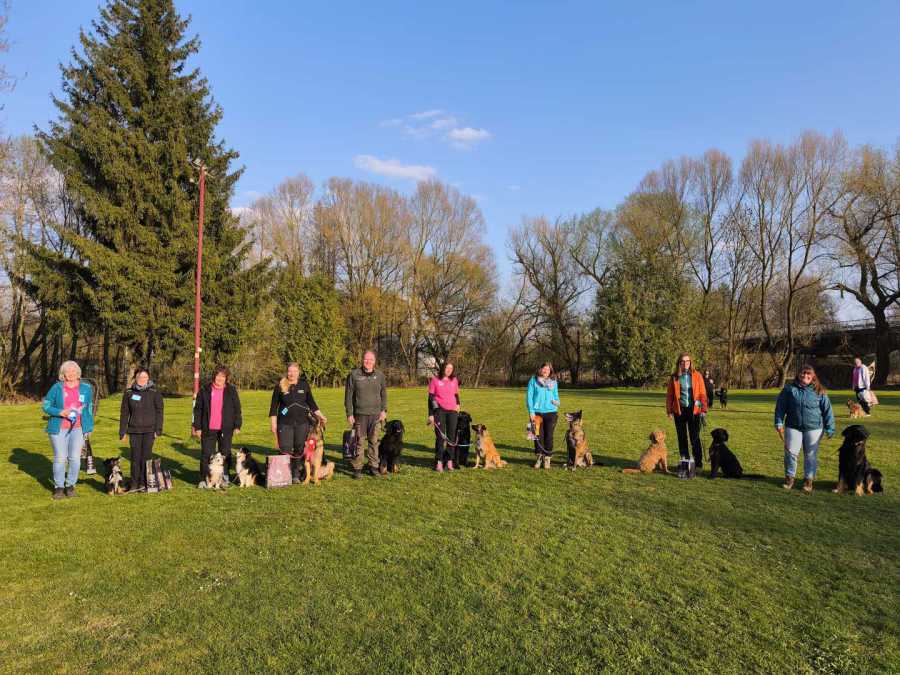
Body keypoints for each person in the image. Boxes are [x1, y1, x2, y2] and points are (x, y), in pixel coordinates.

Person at [774, 364, 835, 493]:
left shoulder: (819, 391)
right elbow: (780, 407)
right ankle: (789, 479)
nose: (805, 376)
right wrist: (778, 422)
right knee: (790, 454)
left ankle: (808, 481)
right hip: (793, 427)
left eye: (808, 374)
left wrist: (830, 428)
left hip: (814, 428)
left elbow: (827, 410)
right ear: (798, 374)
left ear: (813, 376)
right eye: (803, 373)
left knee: (810, 455)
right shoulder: (789, 389)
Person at [42, 360, 95, 499]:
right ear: (63, 374)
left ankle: (70, 486)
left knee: (75, 458)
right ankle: (58, 487)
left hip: (78, 428)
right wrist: (60, 412)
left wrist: (89, 426)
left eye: (73, 371)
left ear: (78, 373)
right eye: (67, 371)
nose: (71, 374)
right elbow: (46, 406)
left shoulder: (86, 388)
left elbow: (89, 408)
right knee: (60, 458)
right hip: (59, 428)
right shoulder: (57, 387)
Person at [269, 362, 327, 483]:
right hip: (284, 423)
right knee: (285, 449)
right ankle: (284, 474)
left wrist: (321, 416)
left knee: (299, 449)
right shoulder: (280, 385)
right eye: (290, 371)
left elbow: (312, 403)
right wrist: (273, 423)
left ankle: (295, 474)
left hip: (302, 423)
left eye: (295, 371)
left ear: (298, 372)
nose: (292, 374)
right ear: (287, 372)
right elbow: (273, 407)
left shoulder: (304, 385)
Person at [192, 365, 242, 488]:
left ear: (226, 378)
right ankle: (204, 479)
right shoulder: (204, 390)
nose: (220, 378)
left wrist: (237, 425)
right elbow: (197, 410)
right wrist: (197, 427)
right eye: (218, 375)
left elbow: (237, 408)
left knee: (225, 453)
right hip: (208, 428)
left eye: (223, 376)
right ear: (214, 376)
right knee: (206, 454)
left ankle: (224, 477)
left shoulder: (231, 390)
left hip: (226, 428)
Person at [118, 367, 164, 493]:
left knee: (146, 457)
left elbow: (160, 411)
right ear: (136, 378)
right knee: (135, 457)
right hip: (134, 431)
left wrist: (158, 429)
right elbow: (124, 413)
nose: (142, 379)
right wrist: (122, 431)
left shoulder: (155, 392)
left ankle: (144, 482)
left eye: (145, 377)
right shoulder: (129, 393)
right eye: (140, 377)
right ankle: (134, 483)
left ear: (148, 378)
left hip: (150, 430)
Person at [344, 350, 387, 479]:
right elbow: (348, 396)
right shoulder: (354, 375)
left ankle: (373, 467)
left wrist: (384, 410)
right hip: (360, 415)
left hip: (376, 415)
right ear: (362, 360)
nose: (368, 362)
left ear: (374, 361)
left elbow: (384, 394)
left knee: (374, 442)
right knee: (359, 442)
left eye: (371, 360)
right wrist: (349, 413)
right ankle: (357, 468)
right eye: (366, 359)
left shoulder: (380, 375)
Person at [665, 353, 708, 469]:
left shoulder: (697, 375)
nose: (685, 363)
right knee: (682, 437)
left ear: (690, 362)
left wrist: (704, 409)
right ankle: (685, 461)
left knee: (695, 437)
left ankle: (698, 464)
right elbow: (670, 395)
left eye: (687, 361)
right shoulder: (674, 377)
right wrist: (669, 410)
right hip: (680, 410)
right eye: (683, 361)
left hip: (694, 410)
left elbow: (703, 393)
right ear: (679, 363)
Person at [428, 361, 461, 471]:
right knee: (440, 437)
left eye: (451, 368)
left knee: (452, 437)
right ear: (443, 368)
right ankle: (439, 462)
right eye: (447, 368)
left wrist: (458, 404)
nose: (449, 370)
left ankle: (449, 460)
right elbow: (431, 398)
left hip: (453, 412)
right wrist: (431, 414)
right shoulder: (435, 380)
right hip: (440, 412)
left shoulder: (454, 380)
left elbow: (456, 394)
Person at [526, 362, 560, 469]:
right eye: (544, 368)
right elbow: (529, 397)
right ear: (540, 369)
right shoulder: (533, 380)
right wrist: (531, 411)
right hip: (537, 413)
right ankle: (539, 457)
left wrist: (556, 402)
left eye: (548, 369)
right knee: (537, 436)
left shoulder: (553, 381)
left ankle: (547, 458)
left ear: (550, 371)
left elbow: (556, 396)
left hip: (551, 412)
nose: (546, 371)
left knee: (549, 436)